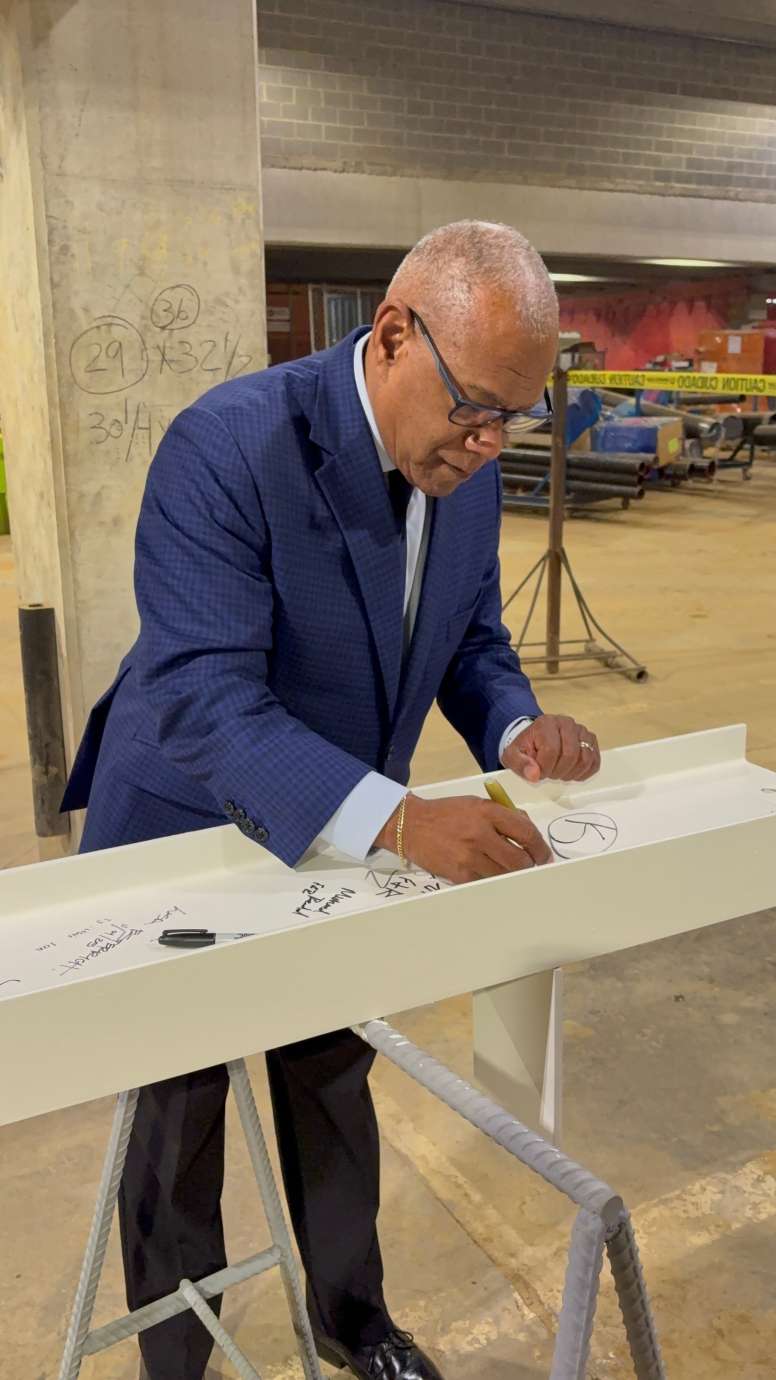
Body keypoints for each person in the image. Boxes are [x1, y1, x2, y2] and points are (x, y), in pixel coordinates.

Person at [61, 219, 601, 1380]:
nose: (487, 444)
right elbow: (203, 694)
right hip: (189, 824)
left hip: (339, 829)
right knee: (178, 1115)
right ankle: (178, 1356)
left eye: (514, 417)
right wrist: (402, 821)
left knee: (330, 1076)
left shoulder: (461, 469)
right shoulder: (228, 445)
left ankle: (353, 1323)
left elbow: (468, 637)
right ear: (393, 335)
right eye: (474, 407)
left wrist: (515, 726)